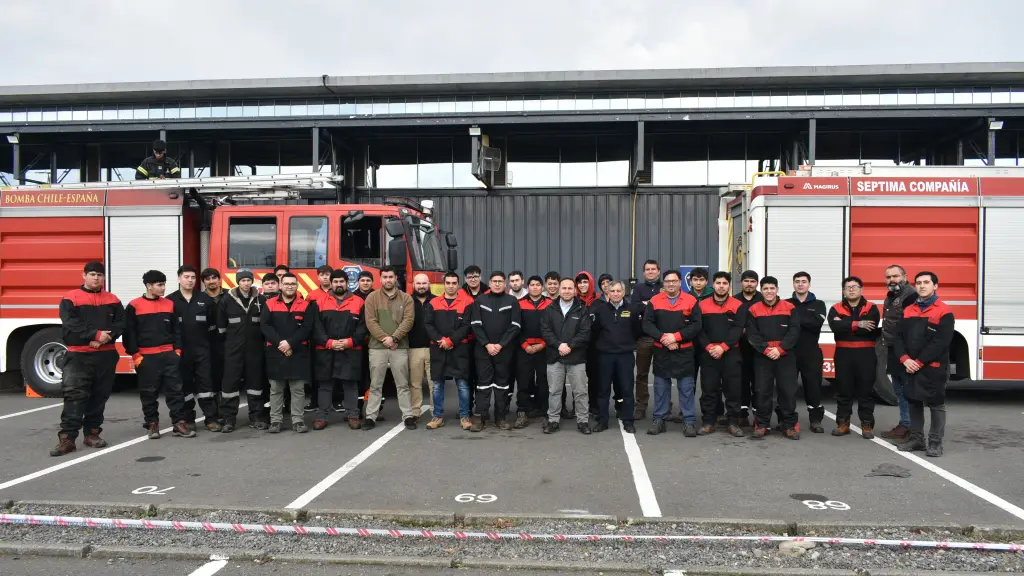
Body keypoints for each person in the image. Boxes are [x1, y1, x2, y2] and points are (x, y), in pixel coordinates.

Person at [50, 261, 125, 457]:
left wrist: (106, 337)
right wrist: (95, 334)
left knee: (99, 396)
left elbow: (121, 323)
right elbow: (71, 323)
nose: (96, 278)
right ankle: (67, 439)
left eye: (100, 275)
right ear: (84, 275)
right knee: (74, 396)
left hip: (105, 355)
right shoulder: (70, 298)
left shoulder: (113, 299)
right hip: (79, 356)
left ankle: (92, 434)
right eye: (92, 274)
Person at [125, 270, 194, 439]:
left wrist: (177, 351)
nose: (163, 288)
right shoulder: (134, 306)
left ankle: (178, 423)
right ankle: (152, 424)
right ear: (149, 286)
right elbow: (129, 334)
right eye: (159, 285)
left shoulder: (169, 304)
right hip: (147, 357)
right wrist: (135, 355)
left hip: (169, 356)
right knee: (149, 392)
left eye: (164, 284)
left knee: (176, 391)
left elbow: (177, 330)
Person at [895, 272, 954, 458]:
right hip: (910, 366)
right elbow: (898, 337)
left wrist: (918, 362)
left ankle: (935, 443)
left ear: (935, 286)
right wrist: (905, 359)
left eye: (926, 282)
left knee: (936, 404)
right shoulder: (908, 310)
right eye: (918, 283)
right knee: (913, 401)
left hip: (933, 367)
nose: (922, 286)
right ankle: (917, 439)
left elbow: (941, 343)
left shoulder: (944, 311)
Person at [642, 270, 702, 437]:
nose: (670, 284)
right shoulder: (654, 301)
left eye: (674, 281)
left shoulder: (691, 300)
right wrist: (663, 338)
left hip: (684, 351)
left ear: (680, 282)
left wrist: (676, 337)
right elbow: (647, 324)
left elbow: (696, 325)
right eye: (667, 281)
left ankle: (689, 422)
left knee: (686, 387)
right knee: (661, 387)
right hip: (662, 350)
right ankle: (659, 420)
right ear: (663, 283)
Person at [746, 276, 801, 439]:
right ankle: (762, 425)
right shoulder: (753, 309)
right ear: (761, 290)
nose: (769, 292)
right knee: (762, 391)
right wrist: (766, 350)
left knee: (788, 391)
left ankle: (789, 425)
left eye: (772, 288)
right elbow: (752, 334)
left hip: (785, 356)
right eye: (765, 289)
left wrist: (780, 349)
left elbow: (794, 331)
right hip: (763, 357)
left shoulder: (789, 307)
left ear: (777, 290)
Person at [260, 273, 315, 433]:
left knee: (297, 389)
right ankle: (275, 421)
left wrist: (290, 343)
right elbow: (265, 326)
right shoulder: (269, 304)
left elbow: (306, 328)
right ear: (281, 286)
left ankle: (298, 421)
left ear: (297, 286)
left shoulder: (305, 305)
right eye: (286, 283)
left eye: (293, 283)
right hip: (276, 352)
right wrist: (281, 344)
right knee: (276, 389)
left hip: (297, 352)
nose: (290, 286)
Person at [312, 270, 368, 430]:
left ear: (347, 283)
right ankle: (322, 417)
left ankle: (353, 415)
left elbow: (363, 327)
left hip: (350, 350)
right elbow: (316, 327)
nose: (338, 284)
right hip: (326, 350)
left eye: (341, 282)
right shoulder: (319, 301)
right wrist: (329, 342)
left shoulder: (358, 302)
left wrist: (350, 342)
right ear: (331, 283)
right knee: (325, 385)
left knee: (350, 384)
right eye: (335, 282)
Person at [167, 265, 220, 433]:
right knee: (185, 387)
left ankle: (210, 419)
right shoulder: (171, 301)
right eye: (186, 277)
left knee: (206, 386)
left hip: (203, 351)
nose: (190, 280)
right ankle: (188, 418)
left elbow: (213, 327)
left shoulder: (205, 299)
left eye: (192, 278)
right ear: (179, 279)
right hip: (181, 352)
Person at [828, 276, 882, 438]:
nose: (851, 289)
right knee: (844, 390)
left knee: (866, 391)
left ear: (861, 289)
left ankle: (867, 425)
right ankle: (843, 423)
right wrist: (857, 324)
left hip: (865, 354)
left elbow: (870, 328)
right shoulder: (835, 308)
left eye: (854, 286)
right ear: (843, 291)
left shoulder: (872, 307)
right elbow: (834, 326)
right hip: (843, 354)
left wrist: (845, 324)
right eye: (847, 287)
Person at [363, 266, 415, 430]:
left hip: (399, 347)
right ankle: (371, 416)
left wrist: (394, 338)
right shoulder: (372, 297)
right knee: (375, 384)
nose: (388, 280)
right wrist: (385, 339)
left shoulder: (406, 298)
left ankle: (408, 416)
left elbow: (408, 321)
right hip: (377, 348)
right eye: (384, 277)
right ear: (380, 279)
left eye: (390, 277)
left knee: (402, 384)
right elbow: (370, 321)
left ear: (395, 278)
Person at [468, 271, 522, 431]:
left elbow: (515, 325)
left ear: (505, 284)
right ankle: (480, 418)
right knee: (483, 385)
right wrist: (487, 344)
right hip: (483, 351)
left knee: (502, 385)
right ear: (489, 283)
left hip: (504, 351)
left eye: (500, 281)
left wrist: (500, 345)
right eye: (494, 281)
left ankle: (501, 417)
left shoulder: (512, 301)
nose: (497, 284)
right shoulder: (480, 300)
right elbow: (475, 324)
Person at [541, 278, 593, 435]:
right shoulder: (550, 309)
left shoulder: (582, 310)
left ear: (575, 290)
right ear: (559, 289)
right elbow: (545, 331)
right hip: (555, 356)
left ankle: (583, 421)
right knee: (555, 391)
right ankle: (553, 420)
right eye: (564, 288)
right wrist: (559, 345)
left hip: (576, 357)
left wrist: (569, 346)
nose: (567, 291)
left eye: (570, 288)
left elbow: (585, 333)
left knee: (580, 391)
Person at [217, 268, 266, 433]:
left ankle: (257, 417)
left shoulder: (261, 299)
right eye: (243, 280)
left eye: (249, 280)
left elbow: (265, 326)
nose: (246, 283)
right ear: (238, 281)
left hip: (255, 350)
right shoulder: (226, 300)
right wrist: (230, 346)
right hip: (233, 351)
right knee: (230, 385)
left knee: (256, 385)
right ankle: (229, 420)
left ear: (252, 281)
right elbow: (221, 328)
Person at [696, 272, 745, 437]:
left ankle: (733, 423)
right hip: (709, 354)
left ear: (729, 285)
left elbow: (738, 329)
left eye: (725, 283)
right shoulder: (702, 305)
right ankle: (708, 422)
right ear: (713, 285)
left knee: (733, 391)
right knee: (709, 390)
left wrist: (723, 347)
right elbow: (699, 330)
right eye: (718, 283)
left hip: (731, 354)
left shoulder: (738, 305)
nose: (721, 286)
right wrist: (710, 346)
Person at [424, 272, 475, 430]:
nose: (451, 286)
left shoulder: (467, 302)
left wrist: (450, 340)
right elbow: (428, 324)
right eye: (448, 283)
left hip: (460, 350)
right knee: (437, 384)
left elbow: (466, 326)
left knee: (463, 385)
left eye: (454, 283)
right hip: (438, 349)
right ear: (443, 284)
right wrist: (441, 340)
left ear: (458, 284)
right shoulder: (433, 303)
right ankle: (437, 416)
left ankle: (465, 417)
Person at [591, 280, 639, 433]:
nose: (616, 294)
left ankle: (628, 421)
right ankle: (603, 421)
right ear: (608, 293)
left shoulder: (632, 309)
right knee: (603, 389)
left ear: (623, 293)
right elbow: (595, 331)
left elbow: (637, 330)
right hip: (605, 356)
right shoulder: (600, 310)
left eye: (619, 291)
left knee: (627, 389)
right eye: (613, 291)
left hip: (625, 355)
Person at [785, 271, 827, 433]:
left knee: (813, 387)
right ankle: (787, 420)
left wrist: (795, 319)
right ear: (793, 284)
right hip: (790, 352)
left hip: (811, 352)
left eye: (803, 281)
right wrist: (804, 320)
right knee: (788, 388)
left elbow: (816, 323)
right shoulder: (786, 303)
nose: (800, 284)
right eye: (797, 281)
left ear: (809, 284)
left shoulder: (819, 304)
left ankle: (815, 420)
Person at [881, 264, 918, 441]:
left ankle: (909, 427)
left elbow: (909, 326)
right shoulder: (891, 295)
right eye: (888, 277)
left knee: (905, 389)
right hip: (893, 347)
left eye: (895, 276)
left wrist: (906, 353)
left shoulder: (910, 295)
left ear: (904, 276)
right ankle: (906, 424)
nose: (892, 280)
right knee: (899, 388)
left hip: (904, 350)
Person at [514, 275, 552, 427]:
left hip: (544, 349)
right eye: (532, 285)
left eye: (538, 285)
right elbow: (515, 327)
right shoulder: (519, 304)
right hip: (524, 349)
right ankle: (522, 412)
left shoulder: (550, 304)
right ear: (527, 287)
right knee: (524, 381)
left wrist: (543, 344)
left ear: (542, 287)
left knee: (544, 381)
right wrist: (525, 345)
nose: (535, 287)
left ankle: (545, 412)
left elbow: (553, 327)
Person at [631, 259, 662, 420]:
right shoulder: (638, 288)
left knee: (663, 374)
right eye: (647, 269)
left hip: (662, 338)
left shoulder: (665, 287)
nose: (650, 272)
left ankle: (664, 407)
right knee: (642, 374)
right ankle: (641, 406)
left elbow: (666, 308)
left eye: (653, 269)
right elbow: (634, 307)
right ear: (644, 272)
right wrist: (653, 304)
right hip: (644, 338)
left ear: (658, 271)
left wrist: (646, 304)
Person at [734, 270, 763, 426]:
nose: (749, 284)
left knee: (759, 383)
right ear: (741, 283)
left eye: (753, 281)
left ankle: (759, 416)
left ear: (757, 283)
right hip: (740, 349)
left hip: (759, 350)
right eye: (746, 281)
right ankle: (742, 414)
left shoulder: (763, 299)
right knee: (741, 382)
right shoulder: (735, 300)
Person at [408, 273, 435, 419]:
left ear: (429, 284)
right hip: (414, 348)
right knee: (415, 383)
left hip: (433, 348)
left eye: (424, 283)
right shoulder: (407, 301)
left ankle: (435, 412)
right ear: (413, 285)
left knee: (434, 383)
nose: (421, 286)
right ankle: (415, 412)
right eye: (418, 283)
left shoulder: (437, 301)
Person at [201, 267, 226, 419]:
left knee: (226, 379)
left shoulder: (230, 295)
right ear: (204, 282)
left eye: (213, 278)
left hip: (228, 343)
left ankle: (225, 412)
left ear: (219, 279)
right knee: (211, 379)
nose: (211, 281)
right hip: (207, 345)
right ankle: (214, 413)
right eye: (207, 279)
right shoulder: (200, 298)